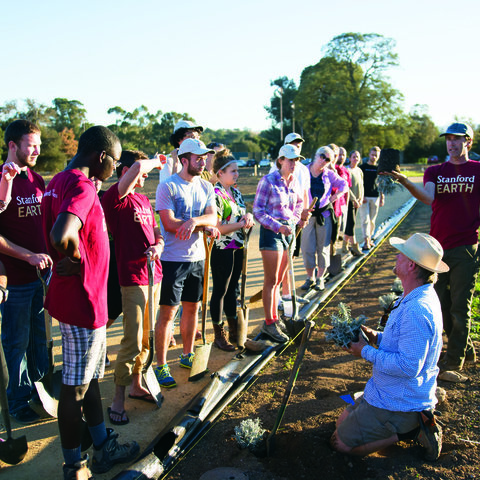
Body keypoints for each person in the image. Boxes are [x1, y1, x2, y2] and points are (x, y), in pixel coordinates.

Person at [42, 126, 139, 478]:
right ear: (102, 157)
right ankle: (74, 465)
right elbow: (61, 234)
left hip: (79, 300)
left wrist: (71, 254)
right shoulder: (82, 186)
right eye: (115, 161)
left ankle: (102, 445)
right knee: (75, 387)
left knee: (89, 378)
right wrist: (77, 256)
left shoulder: (58, 180)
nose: (115, 168)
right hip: (82, 301)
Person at [331, 233, 447, 461]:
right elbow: (404, 344)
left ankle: (410, 429)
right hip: (385, 390)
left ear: (411, 265)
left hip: (400, 401)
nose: (396, 256)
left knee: (339, 444)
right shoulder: (414, 295)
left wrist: (364, 351)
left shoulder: (417, 310)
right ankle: (403, 424)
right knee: (341, 421)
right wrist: (377, 338)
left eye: (401, 254)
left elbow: (408, 366)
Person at [384, 122, 480, 383]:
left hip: (465, 247)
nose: (452, 143)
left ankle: (454, 361)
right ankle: (465, 349)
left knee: (460, 306)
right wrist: (404, 180)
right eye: (448, 139)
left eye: (458, 139)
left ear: (468, 142)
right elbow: (428, 197)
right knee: (440, 303)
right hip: (435, 248)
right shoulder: (436, 171)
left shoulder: (477, 171)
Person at [101, 150, 165, 425]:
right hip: (132, 279)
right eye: (142, 172)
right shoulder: (115, 199)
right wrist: (157, 160)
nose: (147, 174)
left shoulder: (143, 199)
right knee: (131, 339)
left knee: (147, 339)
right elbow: (140, 165)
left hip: (154, 276)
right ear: (126, 170)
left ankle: (137, 384)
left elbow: (157, 230)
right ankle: (118, 399)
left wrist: (159, 245)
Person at [154, 138, 219, 388]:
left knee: (192, 309)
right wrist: (198, 224)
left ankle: (187, 355)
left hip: (198, 258)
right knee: (168, 313)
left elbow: (213, 217)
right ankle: (160, 365)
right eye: (198, 158)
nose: (203, 162)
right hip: (173, 260)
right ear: (184, 160)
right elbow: (169, 224)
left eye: (204, 157)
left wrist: (196, 222)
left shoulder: (205, 186)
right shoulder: (167, 187)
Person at [0, 120, 52, 424]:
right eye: (31, 144)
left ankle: (39, 391)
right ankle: (16, 400)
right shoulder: (2, 179)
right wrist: (27, 255)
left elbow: (41, 225)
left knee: (39, 338)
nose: (36, 150)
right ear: (12, 145)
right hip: (16, 280)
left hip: (40, 279)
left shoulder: (37, 179)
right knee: (15, 341)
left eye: (39, 145)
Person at [253, 144, 304, 342]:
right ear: (280, 160)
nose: (294, 164)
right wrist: (278, 226)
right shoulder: (268, 181)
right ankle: (269, 322)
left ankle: (274, 318)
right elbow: (258, 211)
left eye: (296, 160)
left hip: (288, 232)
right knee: (271, 280)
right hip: (272, 233)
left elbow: (299, 203)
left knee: (281, 278)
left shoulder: (294, 182)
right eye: (290, 160)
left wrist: (295, 219)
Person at [209, 153, 254, 351]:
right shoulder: (215, 194)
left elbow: (243, 214)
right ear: (220, 172)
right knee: (220, 289)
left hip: (238, 245)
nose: (237, 174)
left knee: (233, 290)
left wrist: (249, 216)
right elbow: (217, 226)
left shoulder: (236, 193)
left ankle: (235, 329)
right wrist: (239, 224)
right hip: (221, 247)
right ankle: (219, 334)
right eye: (233, 171)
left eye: (237, 170)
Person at [268, 133, 312, 308]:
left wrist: (304, 214)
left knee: (290, 257)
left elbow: (304, 194)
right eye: (293, 145)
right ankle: (277, 296)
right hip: (280, 223)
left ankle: (286, 294)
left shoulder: (303, 169)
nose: (297, 148)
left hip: (296, 220)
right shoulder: (274, 171)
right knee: (281, 259)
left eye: (299, 145)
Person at [300, 146, 348, 291]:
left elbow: (344, 185)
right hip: (307, 215)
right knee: (307, 247)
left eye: (328, 159)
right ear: (316, 155)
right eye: (322, 156)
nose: (324, 160)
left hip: (324, 215)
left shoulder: (329, 174)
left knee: (323, 247)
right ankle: (310, 278)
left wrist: (336, 196)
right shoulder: (303, 171)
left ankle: (320, 278)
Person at [159, 119, 203, 184]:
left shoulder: (198, 161)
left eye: (197, 137)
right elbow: (167, 188)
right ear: (178, 139)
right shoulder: (168, 162)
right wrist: (175, 163)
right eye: (192, 136)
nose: (196, 140)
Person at [359, 146, 384, 250]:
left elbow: (381, 183)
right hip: (364, 197)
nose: (374, 157)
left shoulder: (379, 168)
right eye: (372, 154)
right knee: (365, 219)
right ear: (369, 154)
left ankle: (370, 239)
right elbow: (359, 183)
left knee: (372, 220)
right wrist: (361, 195)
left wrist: (382, 197)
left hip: (375, 196)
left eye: (376, 155)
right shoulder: (363, 167)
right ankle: (366, 241)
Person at [344, 150, 364, 256]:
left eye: (357, 157)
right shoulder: (347, 170)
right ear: (350, 158)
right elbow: (347, 187)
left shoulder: (359, 171)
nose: (355, 159)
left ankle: (344, 245)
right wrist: (354, 199)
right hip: (350, 201)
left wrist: (360, 198)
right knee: (351, 223)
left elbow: (361, 186)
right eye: (353, 157)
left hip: (357, 201)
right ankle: (354, 246)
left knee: (351, 223)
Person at [334, 147, 351, 248]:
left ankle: (336, 245)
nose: (341, 157)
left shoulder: (346, 171)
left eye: (343, 155)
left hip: (342, 204)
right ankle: (332, 247)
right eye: (339, 154)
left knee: (340, 227)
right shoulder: (333, 169)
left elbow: (347, 189)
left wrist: (347, 204)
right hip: (333, 205)